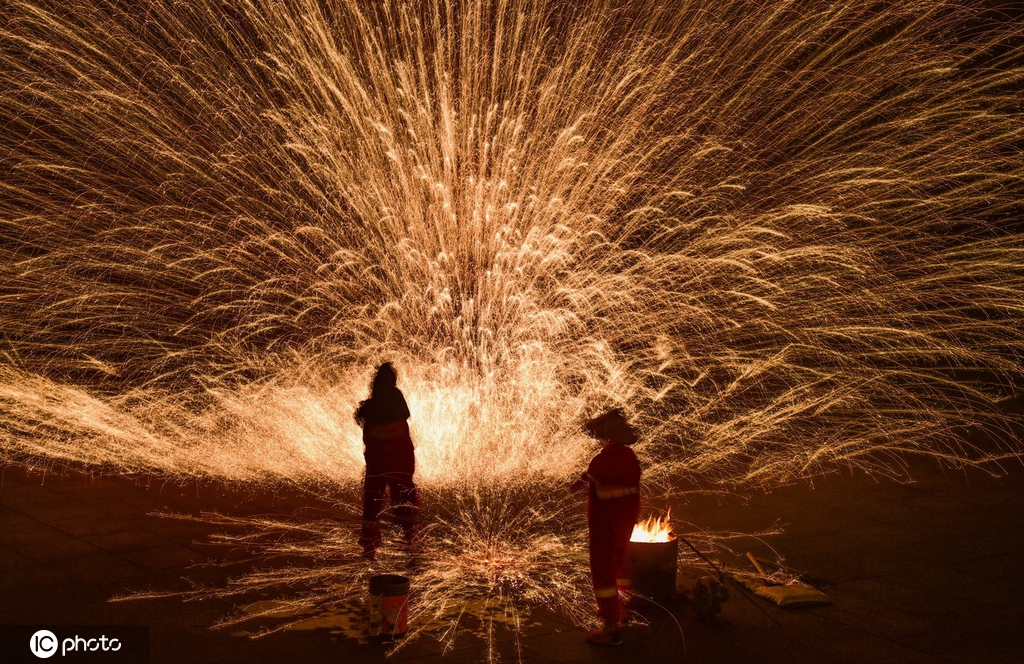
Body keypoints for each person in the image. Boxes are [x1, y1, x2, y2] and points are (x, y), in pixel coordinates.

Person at [570, 408, 642, 646]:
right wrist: (584, 480)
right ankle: (625, 611)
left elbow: (603, 486)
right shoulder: (628, 456)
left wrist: (587, 484)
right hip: (625, 522)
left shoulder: (603, 459)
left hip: (605, 524)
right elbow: (613, 482)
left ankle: (610, 628)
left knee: (603, 575)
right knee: (620, 565)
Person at [354, 362, 419, 560]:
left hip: (377, 466)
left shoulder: (370, 408)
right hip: (400, 464)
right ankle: (410, 543)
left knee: (373, 503)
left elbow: (362, 423)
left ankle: (369, 548)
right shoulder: (397, 400)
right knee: (404, 501)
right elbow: (405, 416)